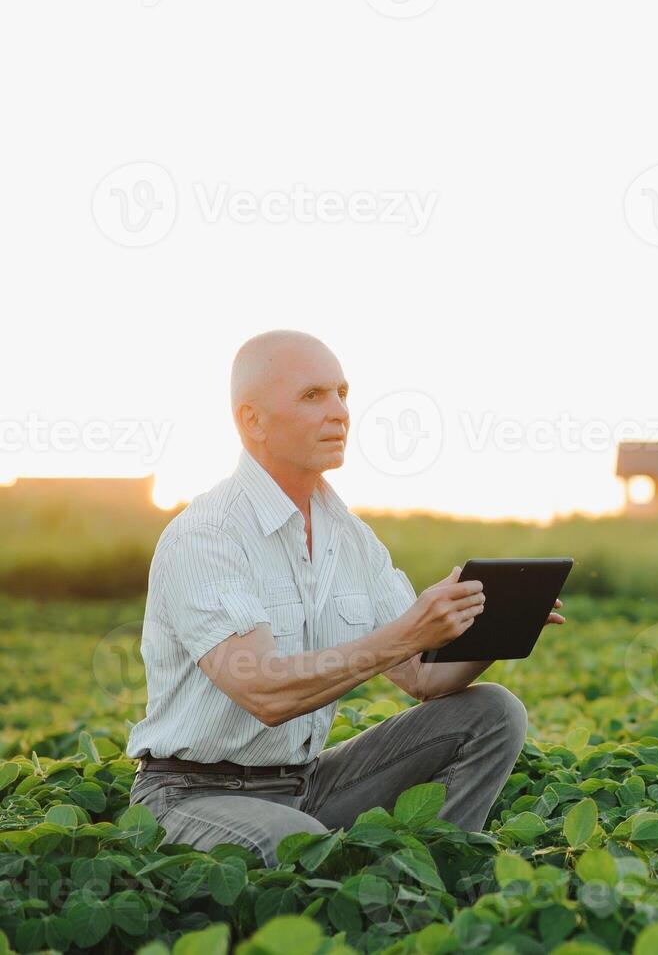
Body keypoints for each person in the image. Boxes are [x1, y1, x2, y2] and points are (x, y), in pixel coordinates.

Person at [125, 329, 564, 866]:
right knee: (294, 843)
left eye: (342, 393)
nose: (339, 412)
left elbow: (423, 678)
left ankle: (431, 882)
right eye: (313, 396)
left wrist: (501, 626)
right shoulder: (207, 535)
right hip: (191, 796)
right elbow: (264, 693)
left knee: (493, 712)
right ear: (252, 420)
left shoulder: (349, 537)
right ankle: (367, 890)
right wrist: (407, 631)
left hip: (306, 786)